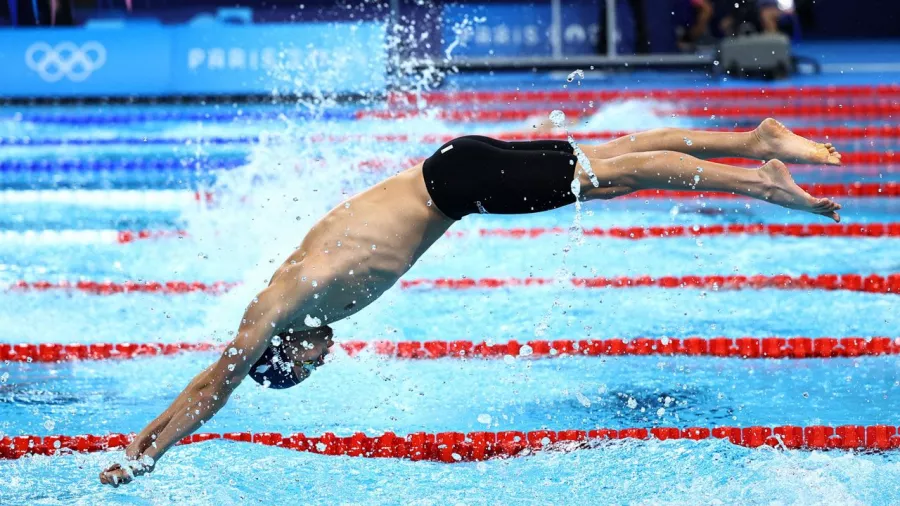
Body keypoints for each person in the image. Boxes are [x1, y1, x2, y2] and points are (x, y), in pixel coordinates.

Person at [99, 117, 841, 486]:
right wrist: (144, 442)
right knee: (613, 158)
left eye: (306, 367)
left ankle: (762, 181)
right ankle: (753, 138)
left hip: (454, 186)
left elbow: (211, 386)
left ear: (285, 354)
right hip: (452, 170)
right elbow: (207, 381)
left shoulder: (280, 310)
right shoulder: (290, 296)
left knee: (616, 176)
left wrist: (143, 456)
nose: (323, 360)